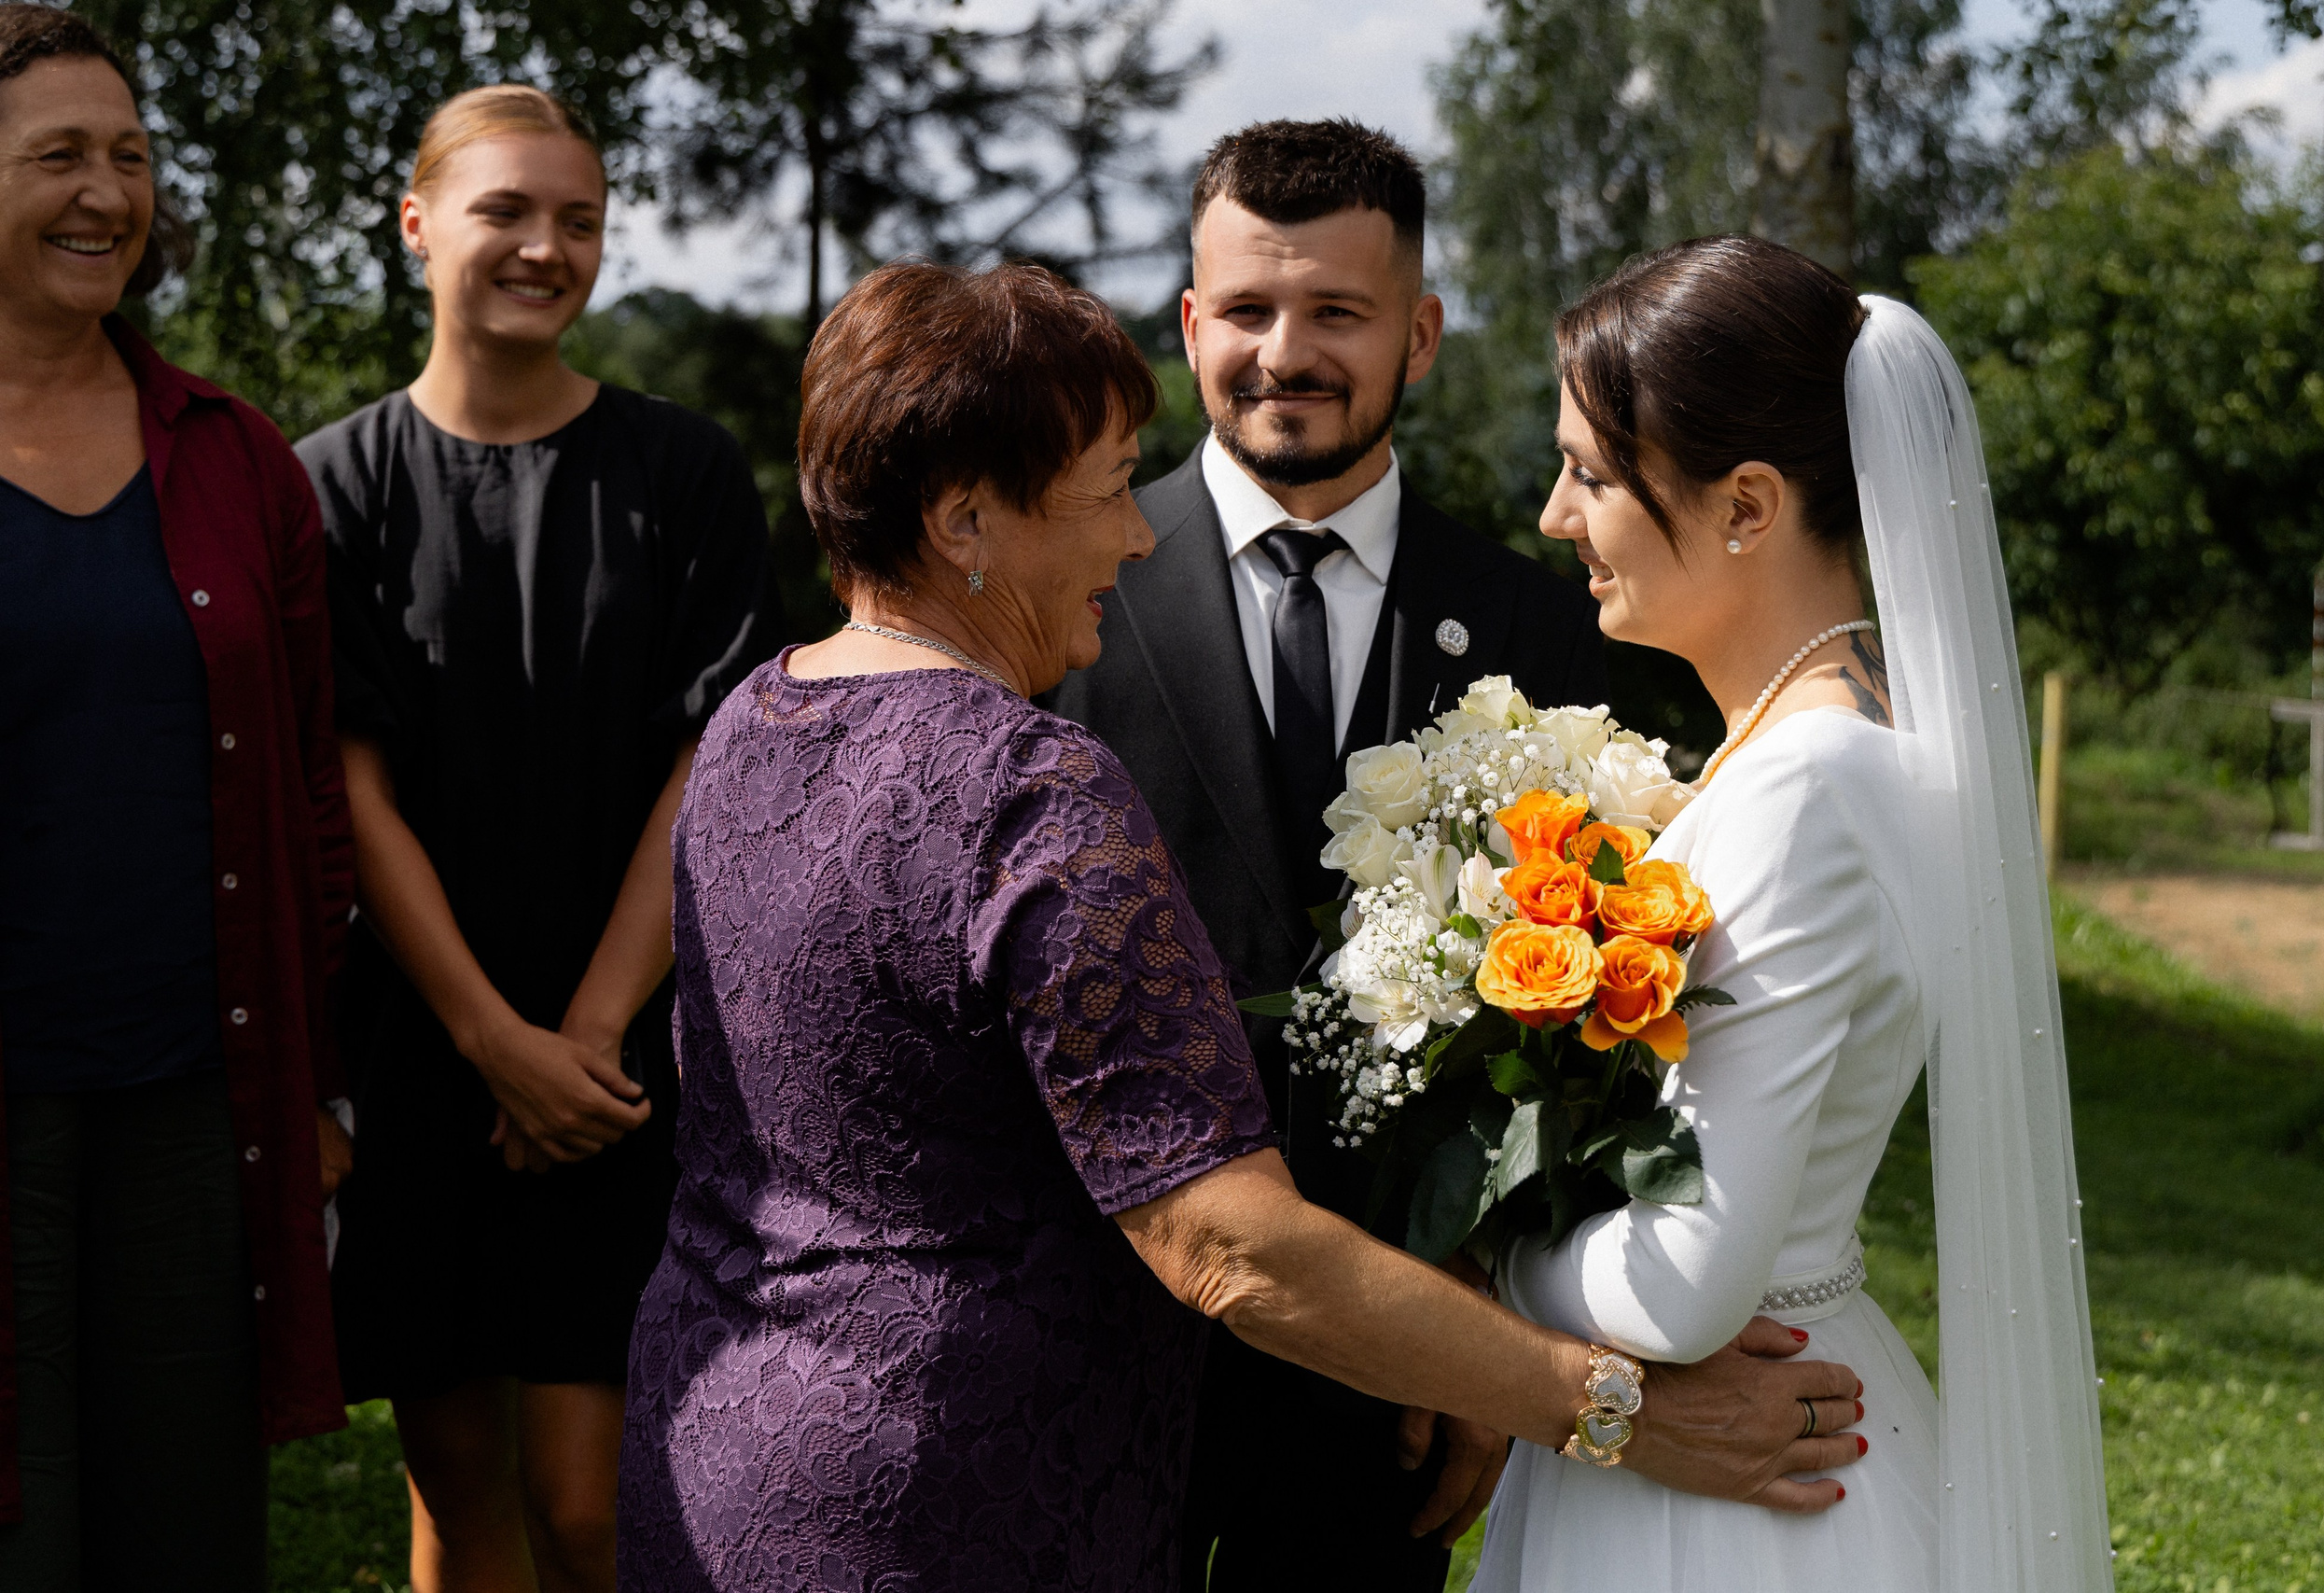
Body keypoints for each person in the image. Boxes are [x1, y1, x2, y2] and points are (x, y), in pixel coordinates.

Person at [616, 259, 1865, 1593]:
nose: (1138, 535)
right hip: (947, 1505)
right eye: (1103, 490)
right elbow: (1224, 1241)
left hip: (716, 1449)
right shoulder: (1030, 789)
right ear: (965, 519)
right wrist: (1606, 1406)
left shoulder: (753, 719)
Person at [1042, 119, 1854, 1589]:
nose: (1285, 352)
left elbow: (1607, 1035)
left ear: (1418, 336)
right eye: (1246, 310)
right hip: (1099, 1350)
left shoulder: (1555, 630)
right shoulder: (1071, 599)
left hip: (1405, 1393)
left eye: (1337, 313)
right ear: (1187, 323)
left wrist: (1501, 1345)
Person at [1471, 237, 2112, 1590]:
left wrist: (1484, 1254)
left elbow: (1687, 1283)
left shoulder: (1799, 794)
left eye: (1590, 473)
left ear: (1749, 506)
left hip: (1729, 1482)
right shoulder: (1850, 746)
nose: (1554, 516)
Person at [299, 85, 780, 1593]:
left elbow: (712, 761)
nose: (544, 247)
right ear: (418, 223)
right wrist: (490, 1041)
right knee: (455, 1498)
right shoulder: (325, 486)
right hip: (421, 1047)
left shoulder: (684, 472)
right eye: (506, 210)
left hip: (621, 1057)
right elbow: (347, 787)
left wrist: (578, 1037)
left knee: (592, 1505)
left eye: (578, 218)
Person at [0, 7, 353, 1585]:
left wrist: (322, 1080)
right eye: (59, 154)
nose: (106, 192)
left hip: (188, 1108)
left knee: (183, 1539)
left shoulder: (236, 461)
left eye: (131, 156)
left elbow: (303, 800)